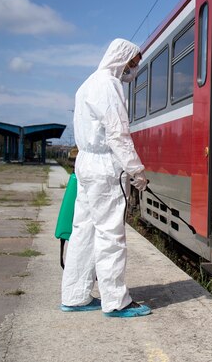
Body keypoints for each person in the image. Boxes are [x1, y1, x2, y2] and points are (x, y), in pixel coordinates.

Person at [61, 38, 150, 317]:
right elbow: (117, 133)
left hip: (85, 163)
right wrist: (136, 170)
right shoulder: (109, 86)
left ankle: (74, 296)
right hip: (104, 167)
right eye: (132, 64)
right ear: (122, 59)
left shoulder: (86, 84)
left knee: (83, 231)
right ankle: (116, 301)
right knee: (110, 233)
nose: (131, 71)